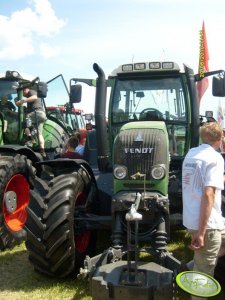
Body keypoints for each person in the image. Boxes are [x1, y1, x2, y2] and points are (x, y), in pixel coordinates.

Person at [182, 122, 225, 300]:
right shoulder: (215, 158)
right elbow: (209, 194)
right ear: (219, 138)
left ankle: (192, 264)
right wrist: (201, 232)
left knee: (218, 245)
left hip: (192, 218)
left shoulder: (191, 154)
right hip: (207, 224)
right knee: (203, 276)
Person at [16, 87, 47, 156]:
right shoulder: (31, 97)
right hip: (41, 115)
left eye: (23, 91)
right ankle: (42, 151)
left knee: (24, 122)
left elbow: (35, 97)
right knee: (39, 134)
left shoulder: (31, 91)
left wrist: (23, 101)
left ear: (26, 89)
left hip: (37, 112)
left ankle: (30, 138)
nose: (23, 93)